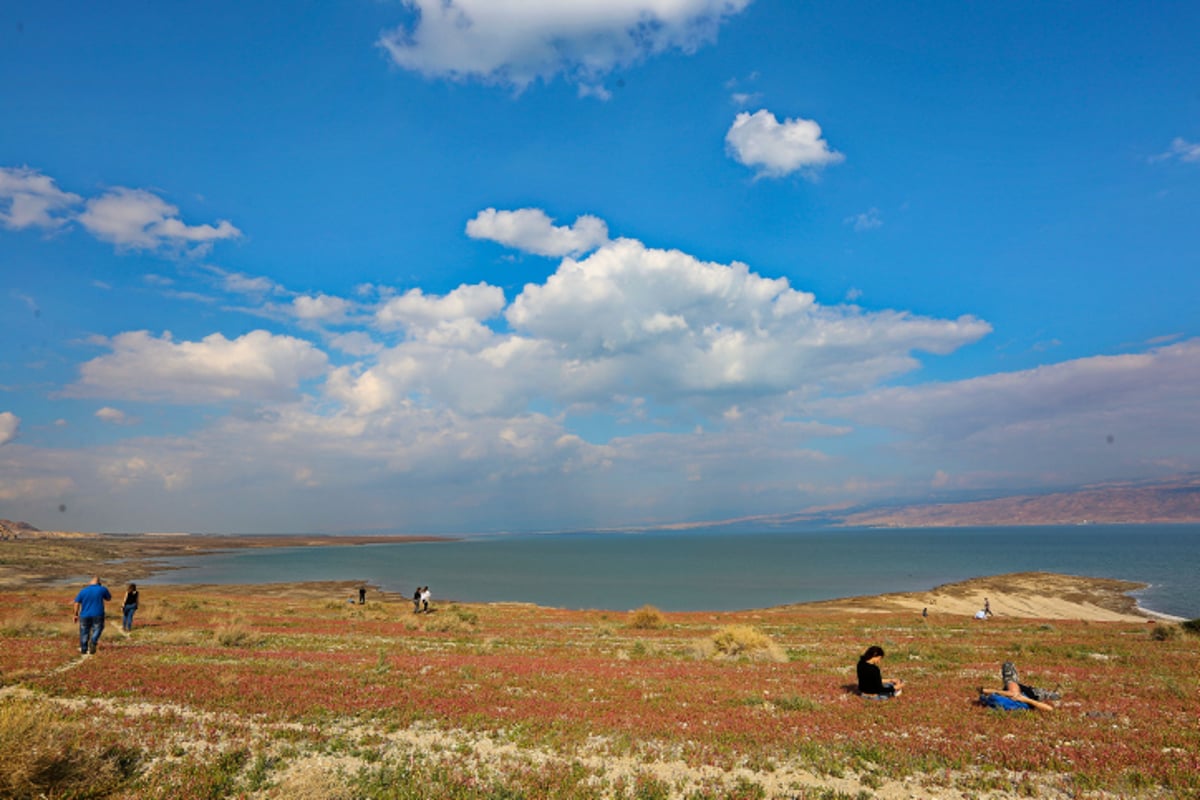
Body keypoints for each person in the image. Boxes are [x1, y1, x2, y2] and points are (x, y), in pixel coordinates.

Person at [979, 661, 1058, 712]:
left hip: (1020, 697)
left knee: (1010, 680)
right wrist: (1027, 700)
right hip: (1026, 696)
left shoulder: (999, 704)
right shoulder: (1020, 703)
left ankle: (1009, 676)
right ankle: (1010, 676)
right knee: (1011, 680)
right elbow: (1050, 709)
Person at [73, 576, 112, 655]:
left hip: (84, 614)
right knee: (98, 628)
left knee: (84, 631)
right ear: (99, 582)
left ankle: (84, 649)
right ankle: (93, 641)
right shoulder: (102, 589)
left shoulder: (83, 591)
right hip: (98, 614)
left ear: (90, 582)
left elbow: (76, 603)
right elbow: (108, 598)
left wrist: (75, 614)